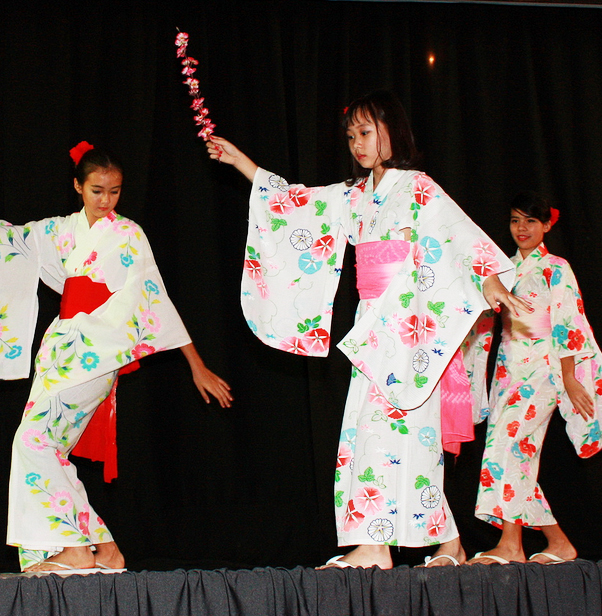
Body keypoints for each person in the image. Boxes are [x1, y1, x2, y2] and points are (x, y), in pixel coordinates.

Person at [208, 90, 530, 569]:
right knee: (373, 433)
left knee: (400, 433)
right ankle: (439, 542)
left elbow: (458, 237)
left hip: (411, 325)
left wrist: (489, 281)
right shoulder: (355, 194)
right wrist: (242, 164)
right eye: (351, 135)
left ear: (391, 131)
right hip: (373, 323)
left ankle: (388, 545)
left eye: (365, 132)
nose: (357, 143)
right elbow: (297, 201)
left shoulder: (418, 187)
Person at [0, 143, 232, 573]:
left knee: (33, 441)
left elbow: (154, 297)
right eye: (97, 190)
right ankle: (103, 549)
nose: (106, 200)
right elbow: (4, 236)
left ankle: (77, 548)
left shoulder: (128, 235)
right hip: (61, 347)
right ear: (78, 187)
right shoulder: (60, 230)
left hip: (99, 350)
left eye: (114, 191)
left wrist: (196, 364)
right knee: (45, 446)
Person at [464, 192, 602, 565]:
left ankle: (512, 545)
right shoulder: (504, 269)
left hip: (544, 367)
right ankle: (557, 543)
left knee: (510, 447)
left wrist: (570, 377)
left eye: (530, 221)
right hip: (509, 367)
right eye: (515, 220)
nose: (521, 228)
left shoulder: (556, 267)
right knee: (506, 451)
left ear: (546, 225)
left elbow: (569, 321)